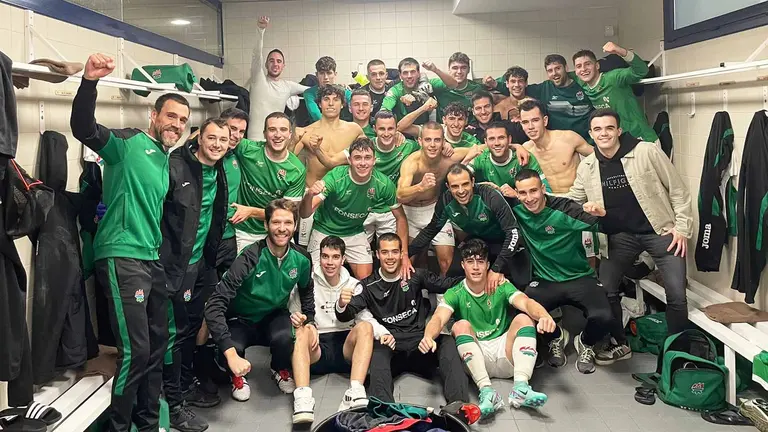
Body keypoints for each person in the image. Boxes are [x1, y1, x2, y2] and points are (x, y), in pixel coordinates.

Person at [71, 53, 190, 432]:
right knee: (136, 351)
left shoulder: (165, 159)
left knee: (156, 347)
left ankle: (148, 424)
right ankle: (118, 428)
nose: (176, 125)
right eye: (171, 116)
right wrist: (89, 82)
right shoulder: (127, 143)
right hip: (122, 257)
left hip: (151, 260)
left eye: (183, 120)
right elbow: (83, 128)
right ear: (154, 116)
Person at [567, 109, 692, 364]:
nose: (604, 134)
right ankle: (619, 342)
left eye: (609, 128)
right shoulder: (588, 166)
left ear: (619, 130)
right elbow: (573, 200)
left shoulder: (646, 152)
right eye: (598, 129)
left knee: (677, 295)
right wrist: (538, 199)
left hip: (660, 231)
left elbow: (678, 190)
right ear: (590, 134)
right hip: (620, 237)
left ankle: (677, 354)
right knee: (606, 289)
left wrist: (682, 228)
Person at [204, 199, 319, 424]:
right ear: (266, 224)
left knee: (286, 336)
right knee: (231, 348)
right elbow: (215, 304)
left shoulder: (302, 258)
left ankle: (279, 368)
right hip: (241, 318)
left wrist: (311, 320)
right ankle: (236, 375)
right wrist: (230, 354)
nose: (282, 228)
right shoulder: (250, 257)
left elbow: (306, 289)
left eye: (288, 223)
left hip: (273, 316)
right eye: (276, 222)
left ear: (295, 226)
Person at [422, 239, 554, 417]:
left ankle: (521, 388)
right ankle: (487, 392)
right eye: (470, 262)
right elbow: (438, 318)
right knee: (460, 325)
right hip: (477, 359)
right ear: (463, 265)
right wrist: (428, 336)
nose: (476, 267)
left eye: (480, 261)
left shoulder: (501, 285)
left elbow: (526, 302)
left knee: (524, 318)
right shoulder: (455, 292)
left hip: (506, 355)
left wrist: (544, 316)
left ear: (488, 265)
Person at [335, 233, 471, 405]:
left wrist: (481, 276)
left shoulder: (415, 275)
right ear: (377, 255)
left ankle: (459, 405)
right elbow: (345, 315)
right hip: (391, 345)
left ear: (401, 254)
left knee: (447, 342)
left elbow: (446, 284)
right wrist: (341, 304)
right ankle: (383, 408)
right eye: (385, 252)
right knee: (377, 352)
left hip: (420, 345)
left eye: (394, 252)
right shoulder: (368, 285)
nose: (390, 257)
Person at [159, 118, 229, 432]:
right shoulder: (176, 166)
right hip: (177, 265)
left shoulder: (218, 168)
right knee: (174, 332)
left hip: (203, 262)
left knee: (195, 326)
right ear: (199, 138)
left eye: (223, 140)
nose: (217, 144)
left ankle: (186, 384)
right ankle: (174, 403)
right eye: (211, 138)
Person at [510, 169, 616, 373]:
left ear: (543, 189)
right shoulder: (517, 210)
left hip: (580, 277)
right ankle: (557, 337)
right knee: (523, 311)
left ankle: (585, 342)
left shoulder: (566, 208)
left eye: (534, 191)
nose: (529, 198)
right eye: (523, 193)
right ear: (517, 193)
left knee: (604, 317)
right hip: (545, 280)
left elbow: (605, 226)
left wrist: (601, 214)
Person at [289, 235, 386, 411]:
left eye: (335, 257)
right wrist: (297, 319)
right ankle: (302, 398)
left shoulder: (354, 285)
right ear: (319, 257)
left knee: (365, 327)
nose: (329, 262)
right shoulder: (306, 281)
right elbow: (293, 310)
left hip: (346, 348)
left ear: (343, 259)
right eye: (325, 256)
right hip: (316, 347)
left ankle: (355, 391)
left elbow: (365, 317)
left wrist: (383, 333)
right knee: (301, 331)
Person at [300, 137, 412, 280]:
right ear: (349, 160)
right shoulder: (336, 177)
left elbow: (401, 218)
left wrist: (404, 255)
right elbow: (305, 213)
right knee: (315, 278)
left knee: (365, 279)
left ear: (374, 160)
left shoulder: (383, 183)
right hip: (325, 230)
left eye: (367, 158)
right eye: (357, 158)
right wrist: (309, 195)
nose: (363, 163)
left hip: (354, 232)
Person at [305, 111, 420, 244]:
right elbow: (331, 162)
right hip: (363, 209)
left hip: (388, 209)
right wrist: (317, 149)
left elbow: (428, 149)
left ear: (396, 129)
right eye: (382, 129)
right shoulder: (364, 147)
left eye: (390, 129)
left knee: (390, 250)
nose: (386, 133)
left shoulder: (407, 146)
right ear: (374, 129)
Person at [409, 164, 529, 290]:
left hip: (506, 243)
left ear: (472, 182)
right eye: (455, 186)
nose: (461, 191)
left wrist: (496, 268)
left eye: (465, 184)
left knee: (521, 283)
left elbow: (513, 233)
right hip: (479, 242)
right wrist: (406, 255)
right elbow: (430, 230)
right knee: (453, 275)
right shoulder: (446, 200)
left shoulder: (489, 196)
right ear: (448, 187)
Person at [396, 123, 485, 275]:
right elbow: (400, 194)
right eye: (428, 140)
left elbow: (483, 147)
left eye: (437, 140)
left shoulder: (450, 157)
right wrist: (420, 187)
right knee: (409, 263)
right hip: (410, 213)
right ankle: (417, 289)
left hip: (434, 210)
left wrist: (517, 146)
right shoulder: (412, 163)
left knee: (446, 263)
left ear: (444, 142)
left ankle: (443, 291)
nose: (432, 145)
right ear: (420, 141)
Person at [519, 99, 597, 263]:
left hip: (576, 202)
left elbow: (600, 157)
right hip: (550, 206)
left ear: (545, 120)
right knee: (560, 255)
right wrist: (515, 146)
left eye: (535, 120)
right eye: (525, 122)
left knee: (589, 253)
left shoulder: (568, 138)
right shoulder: (525, 149)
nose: (531, 126)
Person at [296, 85, 367, 246]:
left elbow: (365, 157)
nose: (330, 103)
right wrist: (293, 139)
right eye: (326, 99)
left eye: (336, 100)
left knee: (343, 247)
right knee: (307, 248)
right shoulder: (306, 131)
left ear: (342, 104)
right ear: (319, 104)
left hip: (343, 196)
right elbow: (287, 160)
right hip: (313, 194)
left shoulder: (354, 130)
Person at [227, 112, 306, 252]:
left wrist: (251, 211)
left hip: (277, 230)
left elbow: (286, 214)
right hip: (244, 231)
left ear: (290, 134)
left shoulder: (297, 170)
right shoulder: (247, 149)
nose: (278, 135)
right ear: (264, 134)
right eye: (272, 129)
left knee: (289, 264)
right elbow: (213, 133)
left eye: (283, 130)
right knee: (245, 266)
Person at [485, 56, 594, 142]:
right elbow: (517, 89)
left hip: (587, 141)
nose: (554, 73)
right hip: (558, 144)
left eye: (558, 68)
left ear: (566, 68)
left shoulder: (583, 85)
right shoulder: (544, 89)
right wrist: (494, 84)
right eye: (550, 70)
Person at [572, 42, 659, 143]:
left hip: (643, 140)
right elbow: (562, 74)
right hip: (619, 143)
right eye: (579, 66)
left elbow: (642, 70)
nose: (583, 69)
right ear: (576, 71)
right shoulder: (583, 84)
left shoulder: (614, 78)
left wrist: (620, 51)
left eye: (588, 64)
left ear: (597, 65)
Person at [248, 16, 308, 140]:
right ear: (266, 64)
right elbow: (256, 55)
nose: (275, 64)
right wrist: (260, 30)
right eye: (271, 61)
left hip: (276, 141)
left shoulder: (288, 86)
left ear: (283, 66)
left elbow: (312, 89)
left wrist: (338, 86)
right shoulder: (258, 79)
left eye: (279, 61)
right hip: (255, 142)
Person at [469, 121, 548, 197]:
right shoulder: (480, 158)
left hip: (522, 203)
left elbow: (546, 192)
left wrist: (517, 195)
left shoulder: (523, 157)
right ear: (486, 142)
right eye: (492, 139)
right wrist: (482, 186)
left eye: (501, 138)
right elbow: (462, 182)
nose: (497, 143)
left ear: (509, 139)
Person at [216, 108, 249, 276]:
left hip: (230, 234)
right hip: (209, 237)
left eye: (241, 131)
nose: (237, 135)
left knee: (228, 283)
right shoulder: (210, 157)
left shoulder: (235, 155)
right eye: (233, 129)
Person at [381, 57, 458, 125]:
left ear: (418, 73)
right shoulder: (395, 90)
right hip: (403, 130)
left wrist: (435, 70)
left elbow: (453, 84)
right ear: (400, 75)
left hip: (425, 128)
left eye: (413, 72)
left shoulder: (427, 85)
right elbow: (383, 112)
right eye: (405, 73)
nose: (409, 76)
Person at [397, 100, 481, 149]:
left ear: (466, 121)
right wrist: (423, 108)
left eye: (460, 119)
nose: (456, 124)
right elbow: (401, 127)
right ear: (444, 120)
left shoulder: (471, 141)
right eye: (451, 119)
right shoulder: (433, 131)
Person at [433, 52, 483, 119]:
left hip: (470, 125)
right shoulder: (439, 86)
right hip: (443, 125)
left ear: (468, 70)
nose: (459, 72)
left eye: (463, 68)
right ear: (449, 70)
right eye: (455, 68)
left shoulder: (477, 89)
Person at [304, 56, 352, 123]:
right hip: (318, 127)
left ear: (335, 74)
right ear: (317, 75)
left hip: (343, 127)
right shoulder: (309, 93)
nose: (326, 77)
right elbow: (316, 114)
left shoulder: (345, 92)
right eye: (322, 73)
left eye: (329, 73)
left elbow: (355, 108)